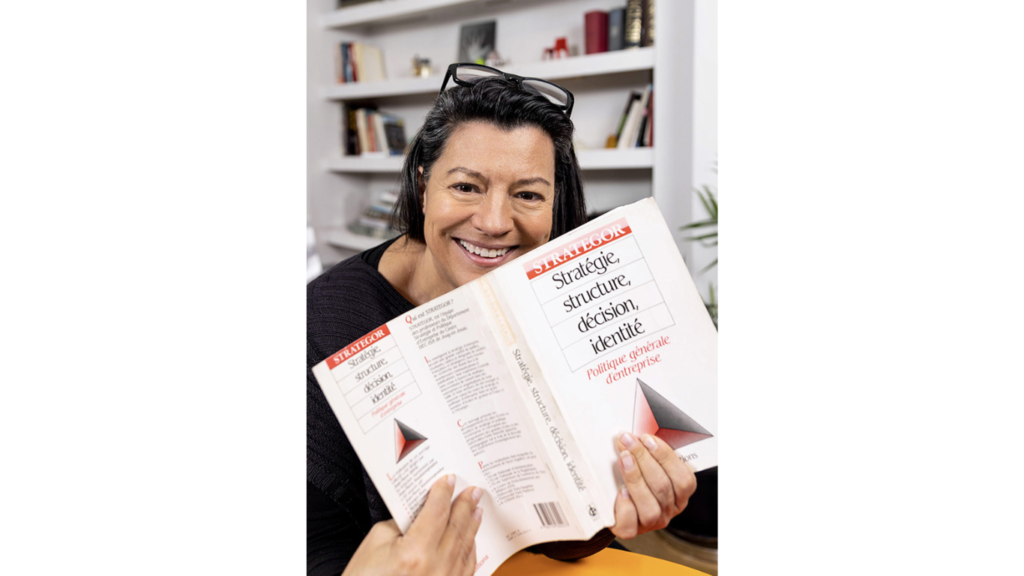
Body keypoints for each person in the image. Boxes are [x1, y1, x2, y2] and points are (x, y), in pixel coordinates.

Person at [307, 64, 697, 576]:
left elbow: (563, 540)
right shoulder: (320, 326)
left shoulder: (559, 300)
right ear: (423, 186)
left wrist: (612, 505)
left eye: (528, 195)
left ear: (555, 204)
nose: (493, 223)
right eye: (466, 186)